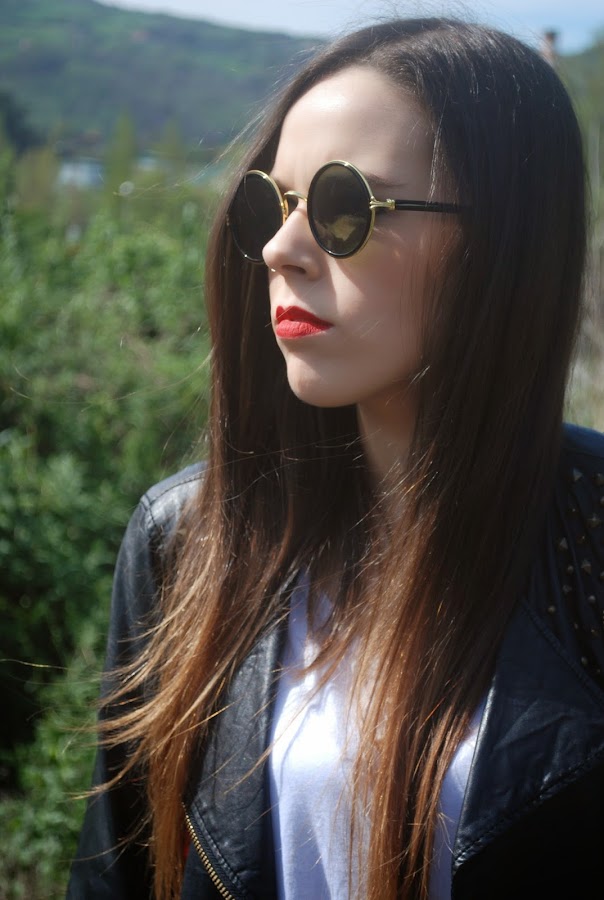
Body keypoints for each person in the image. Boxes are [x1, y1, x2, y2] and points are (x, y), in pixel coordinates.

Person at [68, 17, 604, 900]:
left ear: (503, 242)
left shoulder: (587, 541)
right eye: (269, 205)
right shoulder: (190, 536)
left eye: (344, 207)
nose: (281, 250)